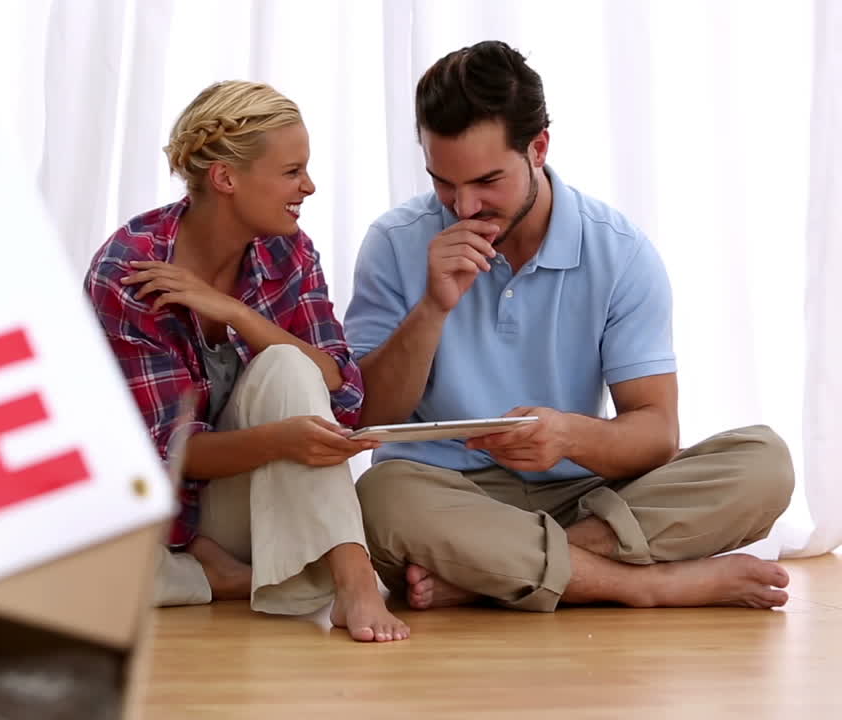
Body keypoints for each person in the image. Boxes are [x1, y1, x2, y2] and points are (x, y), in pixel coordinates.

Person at [344, 41, 794, 613]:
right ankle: (648, 586)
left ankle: (490, 574)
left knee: (763, 464)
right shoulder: (394, 242)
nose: (463, 206)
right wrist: (432, 307)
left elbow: (656, 432)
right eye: (443, 182)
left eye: (487, 181)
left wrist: (568, 437)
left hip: (585, 493)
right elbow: (367, 417)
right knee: (381, 499)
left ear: (538, 148)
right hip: (448, 494)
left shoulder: (620, 253)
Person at [84, 81, 408, 642]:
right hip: (170, 512)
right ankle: (217, 575)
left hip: (256, 506)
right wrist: (280, 441)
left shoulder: (289, 250)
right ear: (226, 178)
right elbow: (169, 456)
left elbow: (344, 392)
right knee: (58, 571)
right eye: (292, 171)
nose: (309, 186)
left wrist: (236, 313)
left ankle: (352, 581)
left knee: (288, 365)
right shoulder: (129, 270)